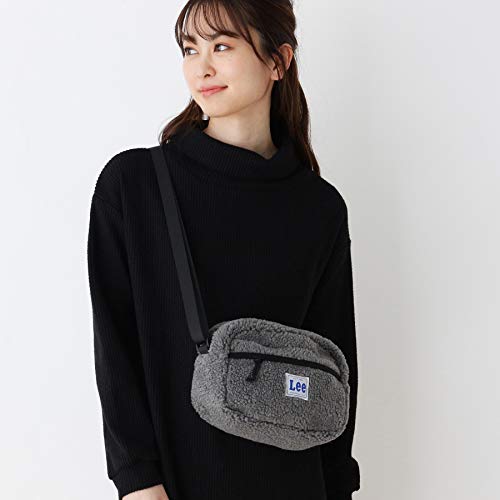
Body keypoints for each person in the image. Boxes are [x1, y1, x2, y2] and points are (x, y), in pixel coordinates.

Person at [86, 1, 361, 499]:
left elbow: (335, 362)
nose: (202, 67)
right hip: (177, 486)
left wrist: (339, 486)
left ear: (278, 61)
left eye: (222, 46)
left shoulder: (319, 208)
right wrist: (138, 481)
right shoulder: (134, 185)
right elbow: (115, 346)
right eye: (190, 49)